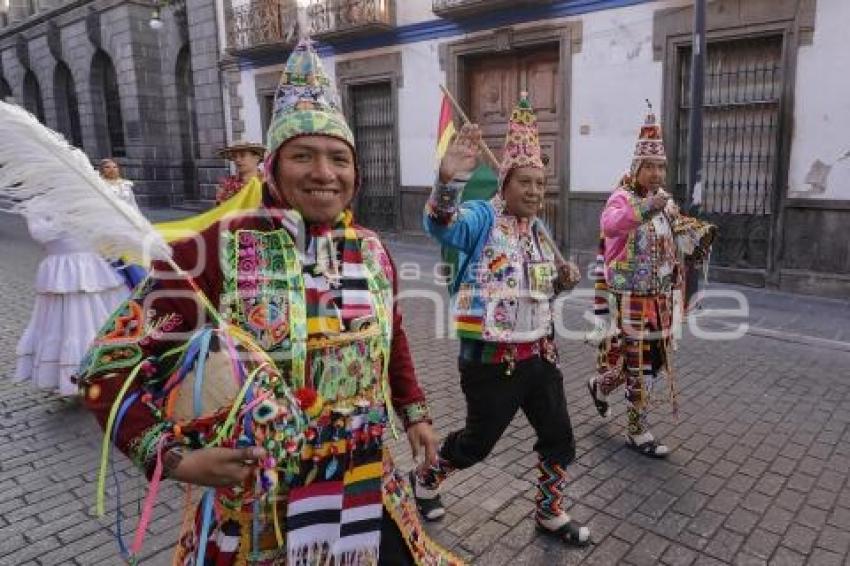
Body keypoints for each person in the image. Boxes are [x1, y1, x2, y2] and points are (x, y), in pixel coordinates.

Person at [76, 39, 461, 566]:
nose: (325, 173)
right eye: (303, 155)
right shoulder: (214, 251)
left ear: (356, 172)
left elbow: (391, 338)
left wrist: (415, 413)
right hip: (257, 509)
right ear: (273, 168)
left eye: (339, 158)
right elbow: (108, 366)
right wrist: (175, 458)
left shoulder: (371, 249)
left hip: (364, 485)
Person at [415, 94, 590, 546]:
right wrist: (447, 180)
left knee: (560, 438)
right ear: (505, 182)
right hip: (492, 361)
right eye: (526, 182)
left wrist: (562, 283)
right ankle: (428, 477)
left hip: (540, 355)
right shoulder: (481, 218)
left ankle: (550, 512)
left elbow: (535, 292)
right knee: (477, 444)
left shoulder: (535, 232)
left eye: (541, 184)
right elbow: (441, 223)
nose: (535, 192)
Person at [587, 105, 685, 458]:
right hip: (629, 297)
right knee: (639, 365)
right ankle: (638, 430)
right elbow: (612, 224)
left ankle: (600, 384)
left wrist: (691, 239)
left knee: (653, 360)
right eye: (650, 167)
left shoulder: (666, 202)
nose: (657, 173)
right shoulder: (623, 198)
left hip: (658, 298)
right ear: (637, 169)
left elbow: (675, 240)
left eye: (661, 167)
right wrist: (649, 208)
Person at [14, 212, 129, 397]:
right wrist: (70, 218)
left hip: (93, 268)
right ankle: (74, 379)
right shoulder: (38, 203)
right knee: (66, 327)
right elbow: (40, 234)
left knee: (104, 322)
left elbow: (109, 228)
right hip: (61, 271)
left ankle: (111, 372)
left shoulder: (86, 195)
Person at [98, 158, 147, 289]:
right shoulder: (99, 185)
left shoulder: (125, 184)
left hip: (127, 224)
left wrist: (139, 222)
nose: (112, 169)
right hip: (109, 225)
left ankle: (140, 281)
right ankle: (121, 283)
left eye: (114, 167)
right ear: (102, 170)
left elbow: (133, 204)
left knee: (131, 253)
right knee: (115, 256)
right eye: (108, 167)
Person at [215, 140, 265, 205]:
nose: (237, 160)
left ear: (257, 158)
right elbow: (221, 209)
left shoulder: (269, 183)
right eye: (235, 156)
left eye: (242, 155)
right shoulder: (227, 185)